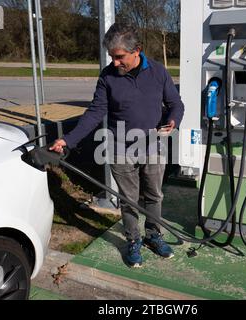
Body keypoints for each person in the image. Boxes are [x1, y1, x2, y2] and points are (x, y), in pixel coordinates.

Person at [50, 23, 184, 268]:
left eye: (119, 57)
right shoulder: (108, 76)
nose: (114, 63)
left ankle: (153, 236)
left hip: (153, 145)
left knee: (154, 195)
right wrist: (68, 139)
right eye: (112, 57)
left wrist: (173, 120)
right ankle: (133, 240)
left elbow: (175, 102)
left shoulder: (158, 71)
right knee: (128, 199)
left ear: (137, 51)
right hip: (119, 147)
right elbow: (95, 112)